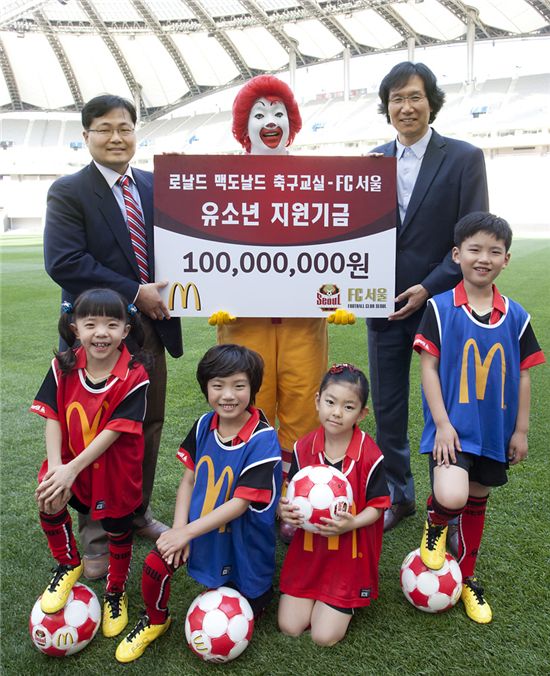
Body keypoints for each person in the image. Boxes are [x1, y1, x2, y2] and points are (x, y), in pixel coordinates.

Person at [44, 94, 183, 580]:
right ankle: (96, 534)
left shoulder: (158, 186)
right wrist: (135, 293)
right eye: (104, 128)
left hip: (152, 330)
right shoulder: (69, 191)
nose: (116, 136)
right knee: (92, 430)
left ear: (135, 132)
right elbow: (64, 262)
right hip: (97, 333)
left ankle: (136, 512)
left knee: (145, 426)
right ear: (86, 136)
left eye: (124, 127)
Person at [368, 62, 490, 532]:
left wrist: (428, 287)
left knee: (450, 405)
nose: (405, 107)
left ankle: (452, 498)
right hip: (383, 306)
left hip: (441, 305)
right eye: (396, 99)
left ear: (431, 102)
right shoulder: (372, 162)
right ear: (387, 108)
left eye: (414, 97)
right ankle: (399, 495)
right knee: (389, 408)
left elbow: (473, 234)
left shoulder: (463, 158)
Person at [413, 212, 545, 623]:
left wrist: (520, 430)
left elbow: (523, 376)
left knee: (477, 502)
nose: (483, 258)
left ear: (506, 259)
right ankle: (435, 526)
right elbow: (428, 367)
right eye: (474, 249)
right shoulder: (439, 308)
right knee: (452, 496)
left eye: (494, 251)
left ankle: (467, 578)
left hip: (494, 432)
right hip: (451, 431)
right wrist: (442, 423)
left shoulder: (517, 316)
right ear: (457, 255)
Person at [115, 344, 282, 663]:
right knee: (156, 563)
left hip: (244, 541)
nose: (228, 395)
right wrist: (178, 529)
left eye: (239, 386)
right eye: (218, 386)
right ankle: (155, 620)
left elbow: (240, 503)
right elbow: (189, 481)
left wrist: (187, 532)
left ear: (253, 387)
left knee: (248, 602)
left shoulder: (263, 438)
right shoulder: (205, 424)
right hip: (201, 530)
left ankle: (257, 596)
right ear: (206, 387)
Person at [212, 75, 329, 480]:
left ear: (292, 122)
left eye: (278, 112)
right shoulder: (220, 180)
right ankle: (247, 483)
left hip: (302, 316)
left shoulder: (318, 178)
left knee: (303, 398)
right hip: (244, 316)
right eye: (259, 114)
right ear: (243, 126)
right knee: (246, 395)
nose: (270, 121)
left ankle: (298, 488)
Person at [31, 288, 152, 638]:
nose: (101, 332)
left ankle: (116, 591)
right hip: (70, 463)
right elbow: (52, 414)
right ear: (75, 328)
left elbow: (114, 430)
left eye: (112, 324)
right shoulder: (63, 365)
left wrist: (72, 469)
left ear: (126, 330)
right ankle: (68, 562)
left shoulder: (134, 373)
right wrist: (57, 468)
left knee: (118, 526)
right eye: (91, 323)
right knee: (49, 498)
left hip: (114, 471)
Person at [277, 364, 390, 646]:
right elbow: (289, 494)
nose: (337, 413)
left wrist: (351, 522)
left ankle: (344, 600)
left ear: (362, 413)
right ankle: (315, 591)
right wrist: (284, 510)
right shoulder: (303, 448)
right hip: (309, 553)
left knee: (323, 636)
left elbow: (378, 506)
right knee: (289, 626)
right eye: (330, 402)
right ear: (317, 401)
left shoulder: (369, 454)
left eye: (348, 407)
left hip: (348, 559)